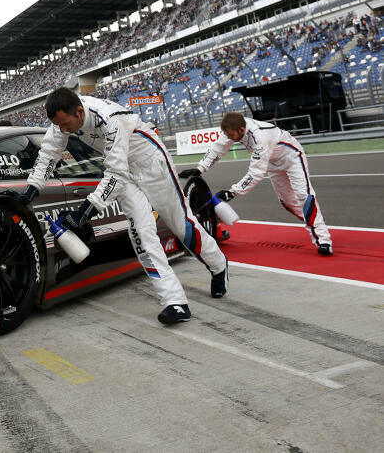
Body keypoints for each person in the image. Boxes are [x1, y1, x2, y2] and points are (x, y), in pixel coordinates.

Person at [17, 88, 229, 325]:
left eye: (66, 124)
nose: (64, 131)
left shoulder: (110, 119)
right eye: (60, 126)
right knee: (140, 233)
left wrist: (86, 211)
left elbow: (114, 174)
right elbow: (48, 154)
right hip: (123, 173)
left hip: (150, 162)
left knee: (181, 225)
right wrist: (31, 190)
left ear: (79, 111)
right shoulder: (63, 119)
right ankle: (174, 302)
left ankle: (218, 265)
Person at [181, 111, 333, 255]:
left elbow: (256, 173)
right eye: (227, 135)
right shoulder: (232, 128)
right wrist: (200, 169)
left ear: (241, 129)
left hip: (292, 157)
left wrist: (233, 192)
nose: (229, 137)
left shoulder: (259, 137)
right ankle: (315, 222)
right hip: (272, 163)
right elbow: (218, 149)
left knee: (303, 196)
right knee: (288, 203)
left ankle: (322, 239)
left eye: (231, 135)